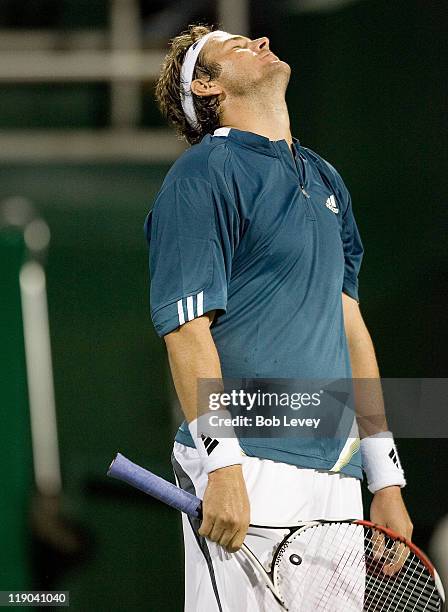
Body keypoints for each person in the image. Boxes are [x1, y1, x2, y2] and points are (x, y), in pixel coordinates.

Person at [145, 24, 413, 611]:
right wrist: (222, 465)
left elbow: (351, 331)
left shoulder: (324, 178)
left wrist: (384, 477)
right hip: (248, 463)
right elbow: (187, 334)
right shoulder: (201, 177)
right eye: (235, 46)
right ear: (208, 86)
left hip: (335, 470)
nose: (259, 42)